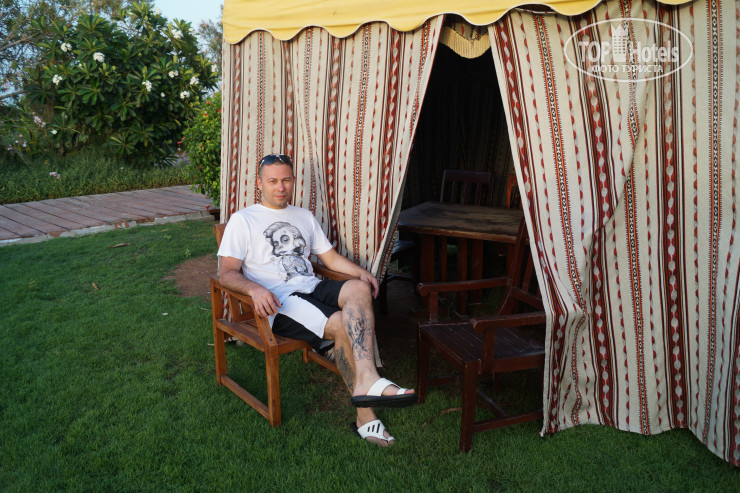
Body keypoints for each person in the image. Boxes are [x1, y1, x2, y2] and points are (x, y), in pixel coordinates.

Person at [217, 153, 416, 447]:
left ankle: (368, 377)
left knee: (359, 290)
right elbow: (226, 273)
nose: (280, 187)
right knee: (342, 324)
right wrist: (254, 290)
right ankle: (365, 416)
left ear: (293, 180)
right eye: (273, 181)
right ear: (259, 183)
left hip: (312, 285)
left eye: (286, 180)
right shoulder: (243, 220)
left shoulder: (304, 216)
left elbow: (330, 258)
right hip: (280, 301)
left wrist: (363, 274)